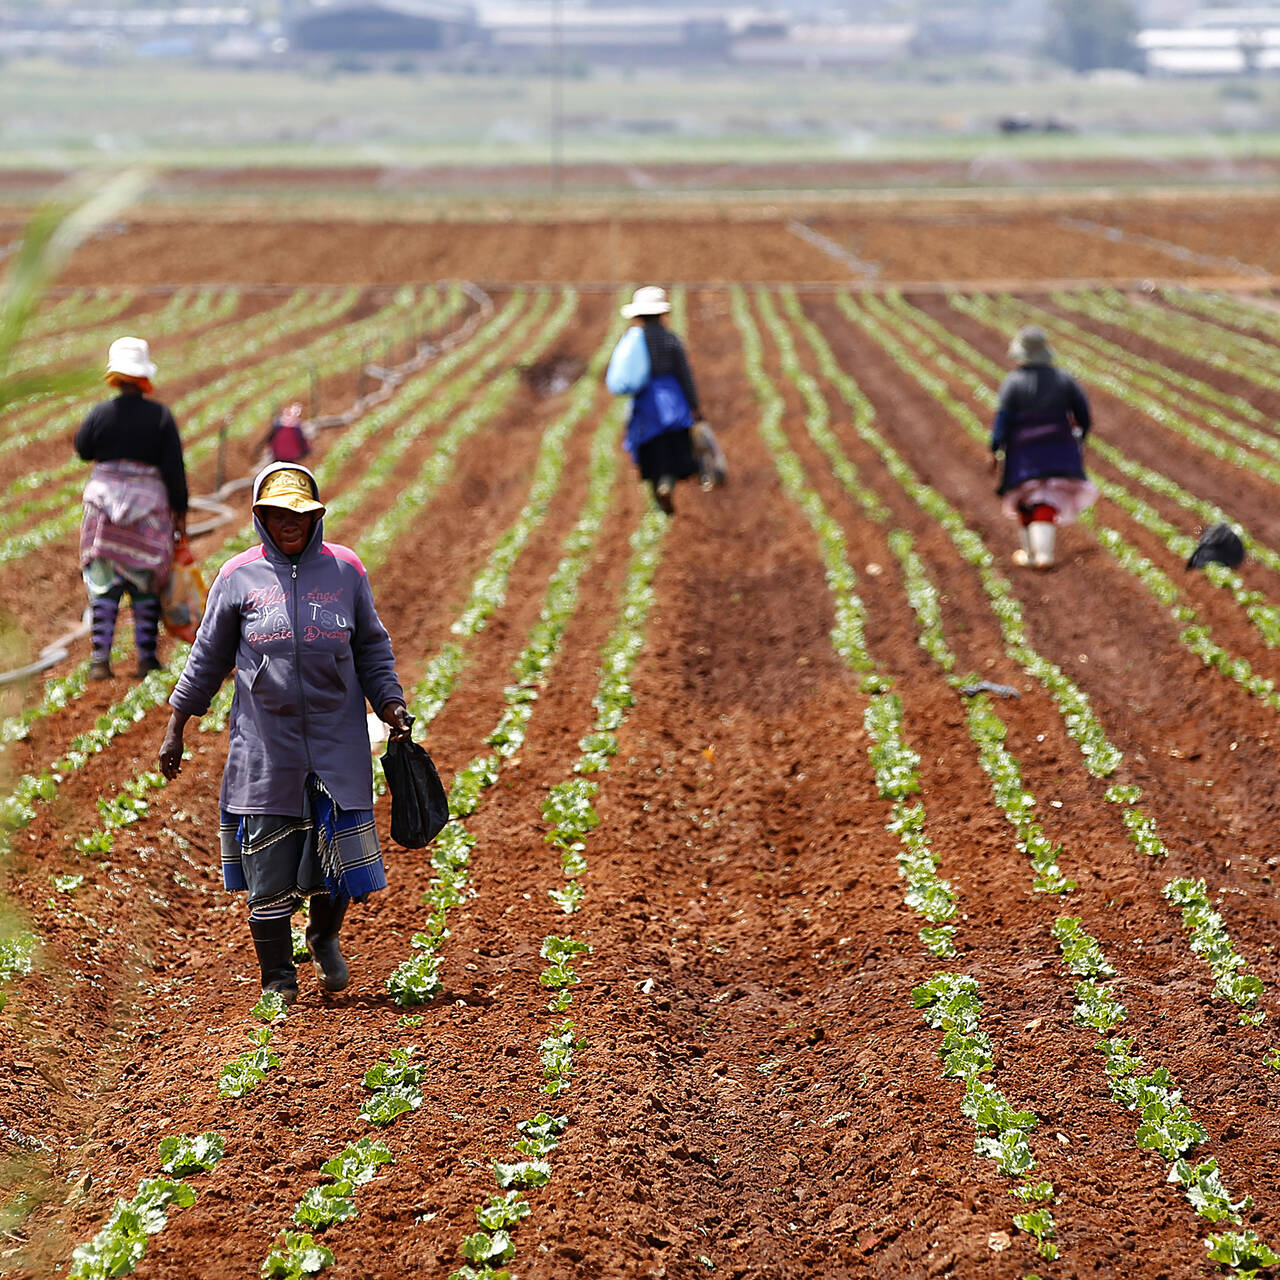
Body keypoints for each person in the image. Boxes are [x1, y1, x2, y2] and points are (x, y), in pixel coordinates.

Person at [157, 462, 413, 1005]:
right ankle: (278, 978)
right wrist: (177, 724)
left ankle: (322, 934)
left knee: (335, 858)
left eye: (299, 513)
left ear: (316, 516)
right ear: (260, 517)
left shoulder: (345, 571)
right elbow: (207, 656)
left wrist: (390, 702)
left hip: (335, 738)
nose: (288, 523)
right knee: (269, 864)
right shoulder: (237, 577)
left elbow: (371, 645)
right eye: (276, 514)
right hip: (264, 743)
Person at [74, 336, 188, 680]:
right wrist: (179, 511)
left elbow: (83, 448)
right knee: (145, 583)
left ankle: (99, 660)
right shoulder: (160, 417)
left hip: (104, 511)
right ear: (143, 378)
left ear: (115, 377)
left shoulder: (101, 413)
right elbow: (173, 468)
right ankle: (146, 659)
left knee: (104, 585)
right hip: (147, 510)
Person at [989, 326, 1098, 571]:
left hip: (1023, 452)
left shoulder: (1013, 383)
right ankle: (1042, 554)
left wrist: (995, 447)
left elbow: (1003, 420)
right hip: (1060, 447)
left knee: (1026, 497)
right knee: (1047, 496)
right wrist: (1081, 438)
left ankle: (1033, 553)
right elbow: (1083, 414)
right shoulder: (1064, 380)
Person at [616, 285, 706, 516]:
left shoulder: (635, 340)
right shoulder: (670, 339)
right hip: (672, 400)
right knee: (674, 449)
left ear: (638, 315)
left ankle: (658, 496)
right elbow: (684, 374)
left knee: (650, 452)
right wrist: (694, 405)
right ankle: (668, 483)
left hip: (645, 403)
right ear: (662, 314)